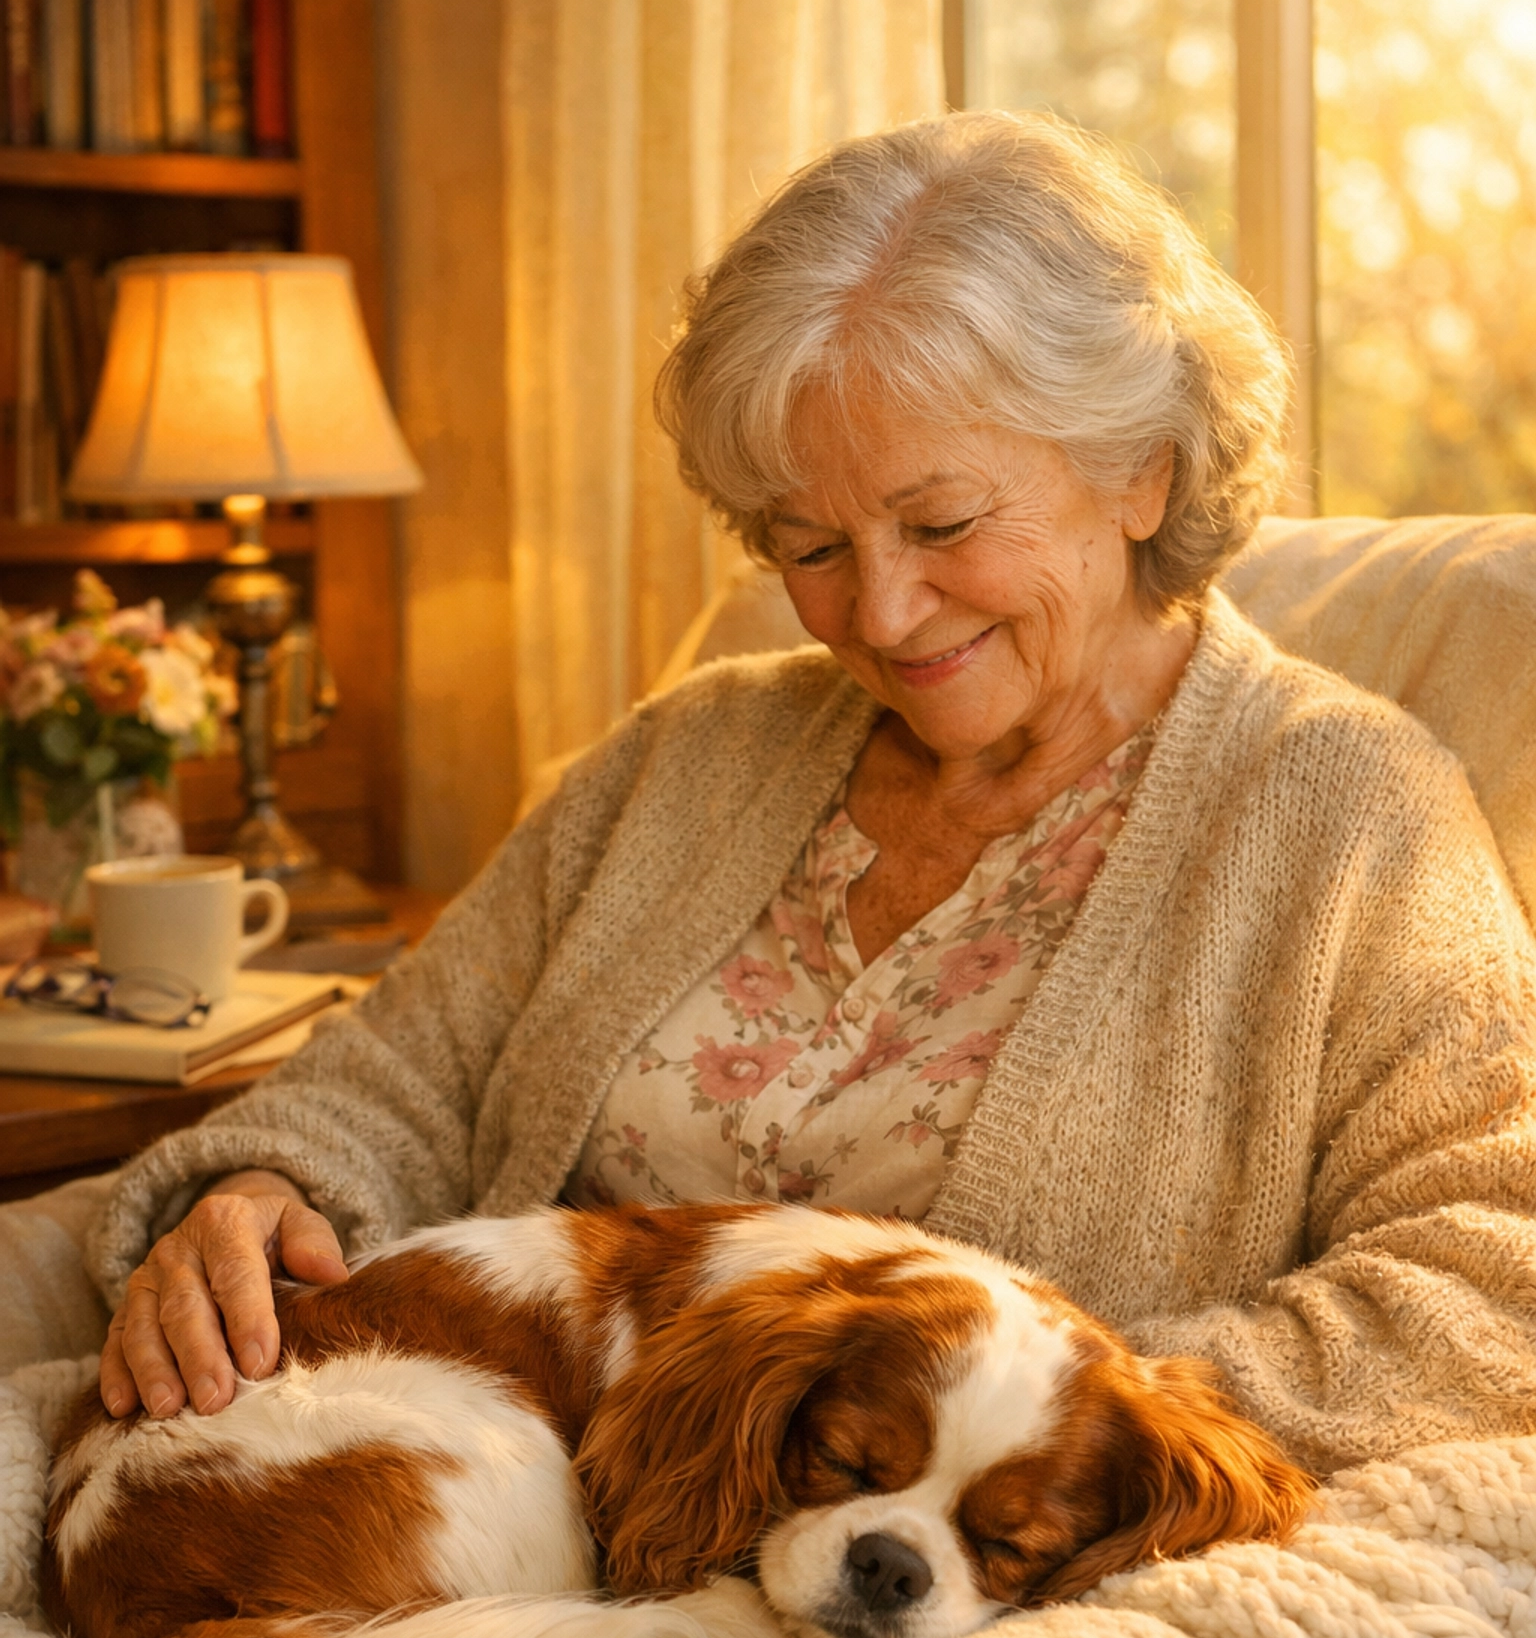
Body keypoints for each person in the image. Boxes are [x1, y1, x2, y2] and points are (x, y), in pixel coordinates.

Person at [87, 110, 1536, 1475]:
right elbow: (388, 1085)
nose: (886, 616)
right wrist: (261, 1199)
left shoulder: (1346, 814)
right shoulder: (690, 756)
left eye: (942, 521)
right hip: (480, 1494)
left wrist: (1042, 1433)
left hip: (910, 1588)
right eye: (811, 545)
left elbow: (1491, 1280)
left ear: (1140, 473)